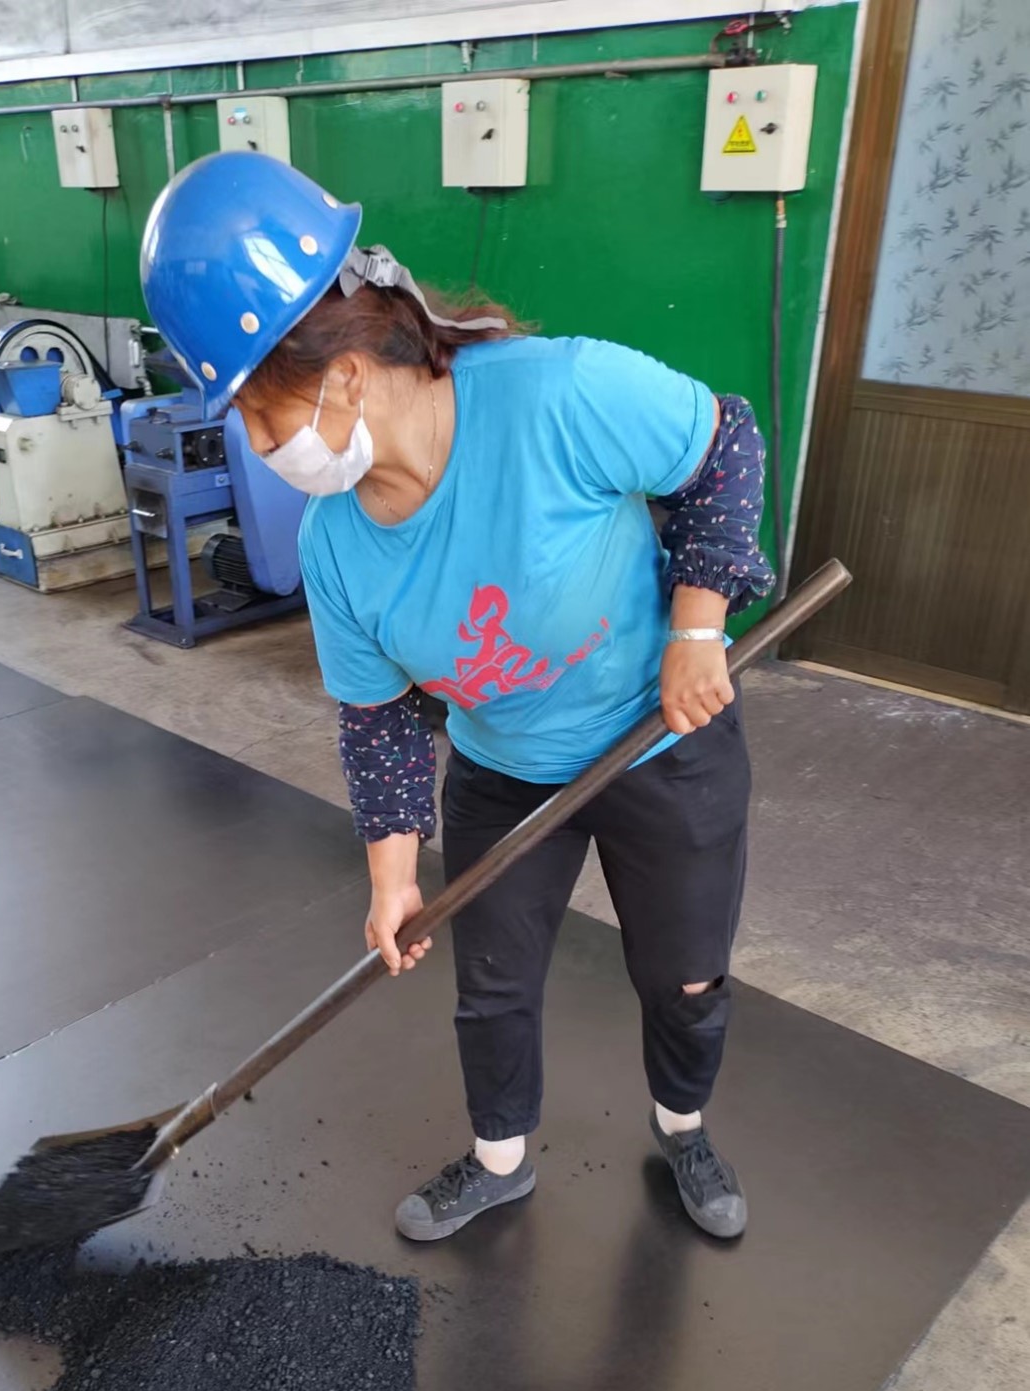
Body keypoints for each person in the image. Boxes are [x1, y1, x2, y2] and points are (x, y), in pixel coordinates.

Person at [142, 153, 775, 1244]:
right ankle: (499, 1162)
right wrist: (391, 878)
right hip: (503, 766)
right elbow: (378, 716)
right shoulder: (335, 543)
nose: (253, 441)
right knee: (492, 984)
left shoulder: (556, 394)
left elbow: (724, 442)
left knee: (683, 977)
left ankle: (683, 1127)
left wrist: (697, 627)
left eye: (254, 408)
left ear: (343, 375)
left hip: (658, 740)